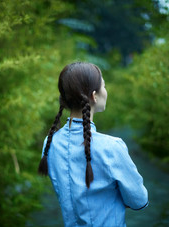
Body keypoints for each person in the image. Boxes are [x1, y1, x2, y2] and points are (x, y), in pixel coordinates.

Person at [38, 62, 148, 227]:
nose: (106, 91)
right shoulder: (112, 147)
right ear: (94, 96)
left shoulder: (50, 143)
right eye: (104, 86)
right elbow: (139, 200)